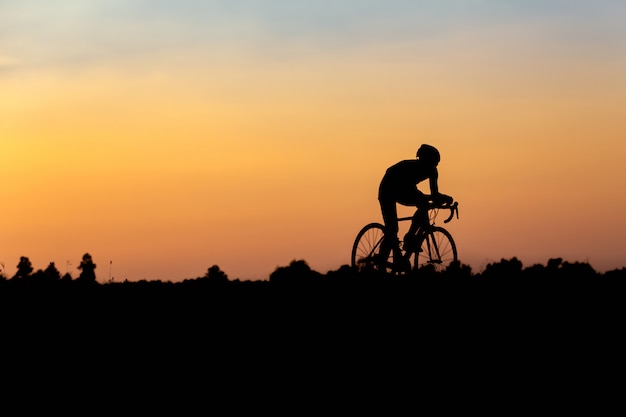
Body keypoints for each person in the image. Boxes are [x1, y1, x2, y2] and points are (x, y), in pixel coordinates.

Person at [377, 144, 453, 267]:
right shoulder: (410, 167)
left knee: (422, 202)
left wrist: (443, 199)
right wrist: (438, 199)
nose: (434, 166)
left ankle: (407, 243)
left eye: (435, 164)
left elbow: (434, 194)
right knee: (392, 229)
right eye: (432, 163)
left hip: (406, 188)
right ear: (423, 160)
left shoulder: (432, 170)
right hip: (388, 188)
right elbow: (409, 192)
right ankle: (382, 258)